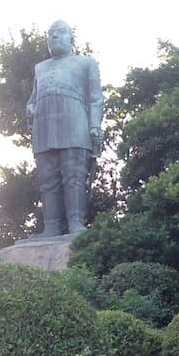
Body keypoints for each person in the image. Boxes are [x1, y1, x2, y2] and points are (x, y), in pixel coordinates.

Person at [26, 20, 104, 237]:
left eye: (60, 32)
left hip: (75, 122)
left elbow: (96, 98)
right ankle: (50, 226)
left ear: (72, 38)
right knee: (47, 178)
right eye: (50, 33)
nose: (54, 36)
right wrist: (30, 107)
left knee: (74, 175)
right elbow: (33, 98)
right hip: (44, 125)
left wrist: (95, 125)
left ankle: (76, 224)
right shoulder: (39, 68)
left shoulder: (86, 63)